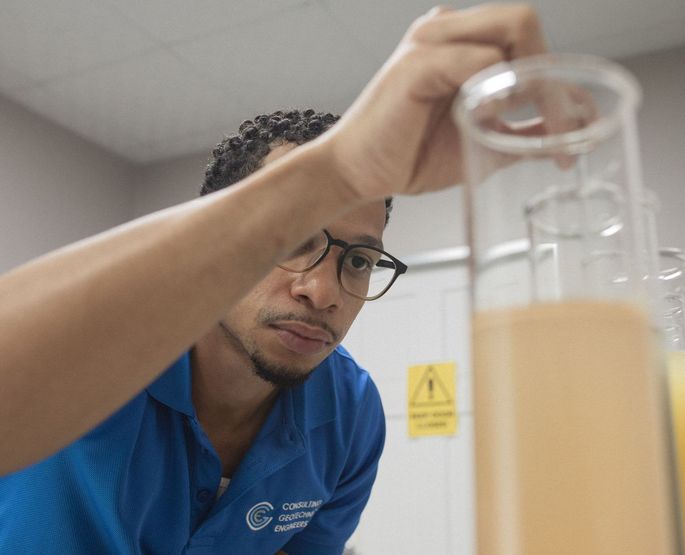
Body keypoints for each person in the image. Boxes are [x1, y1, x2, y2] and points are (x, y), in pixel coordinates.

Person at [0, 4, 557, 553]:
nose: (324, 292)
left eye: (359, 261)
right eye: (291, 240)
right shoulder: (109, 346)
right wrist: (333, 170)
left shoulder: (349, 413)